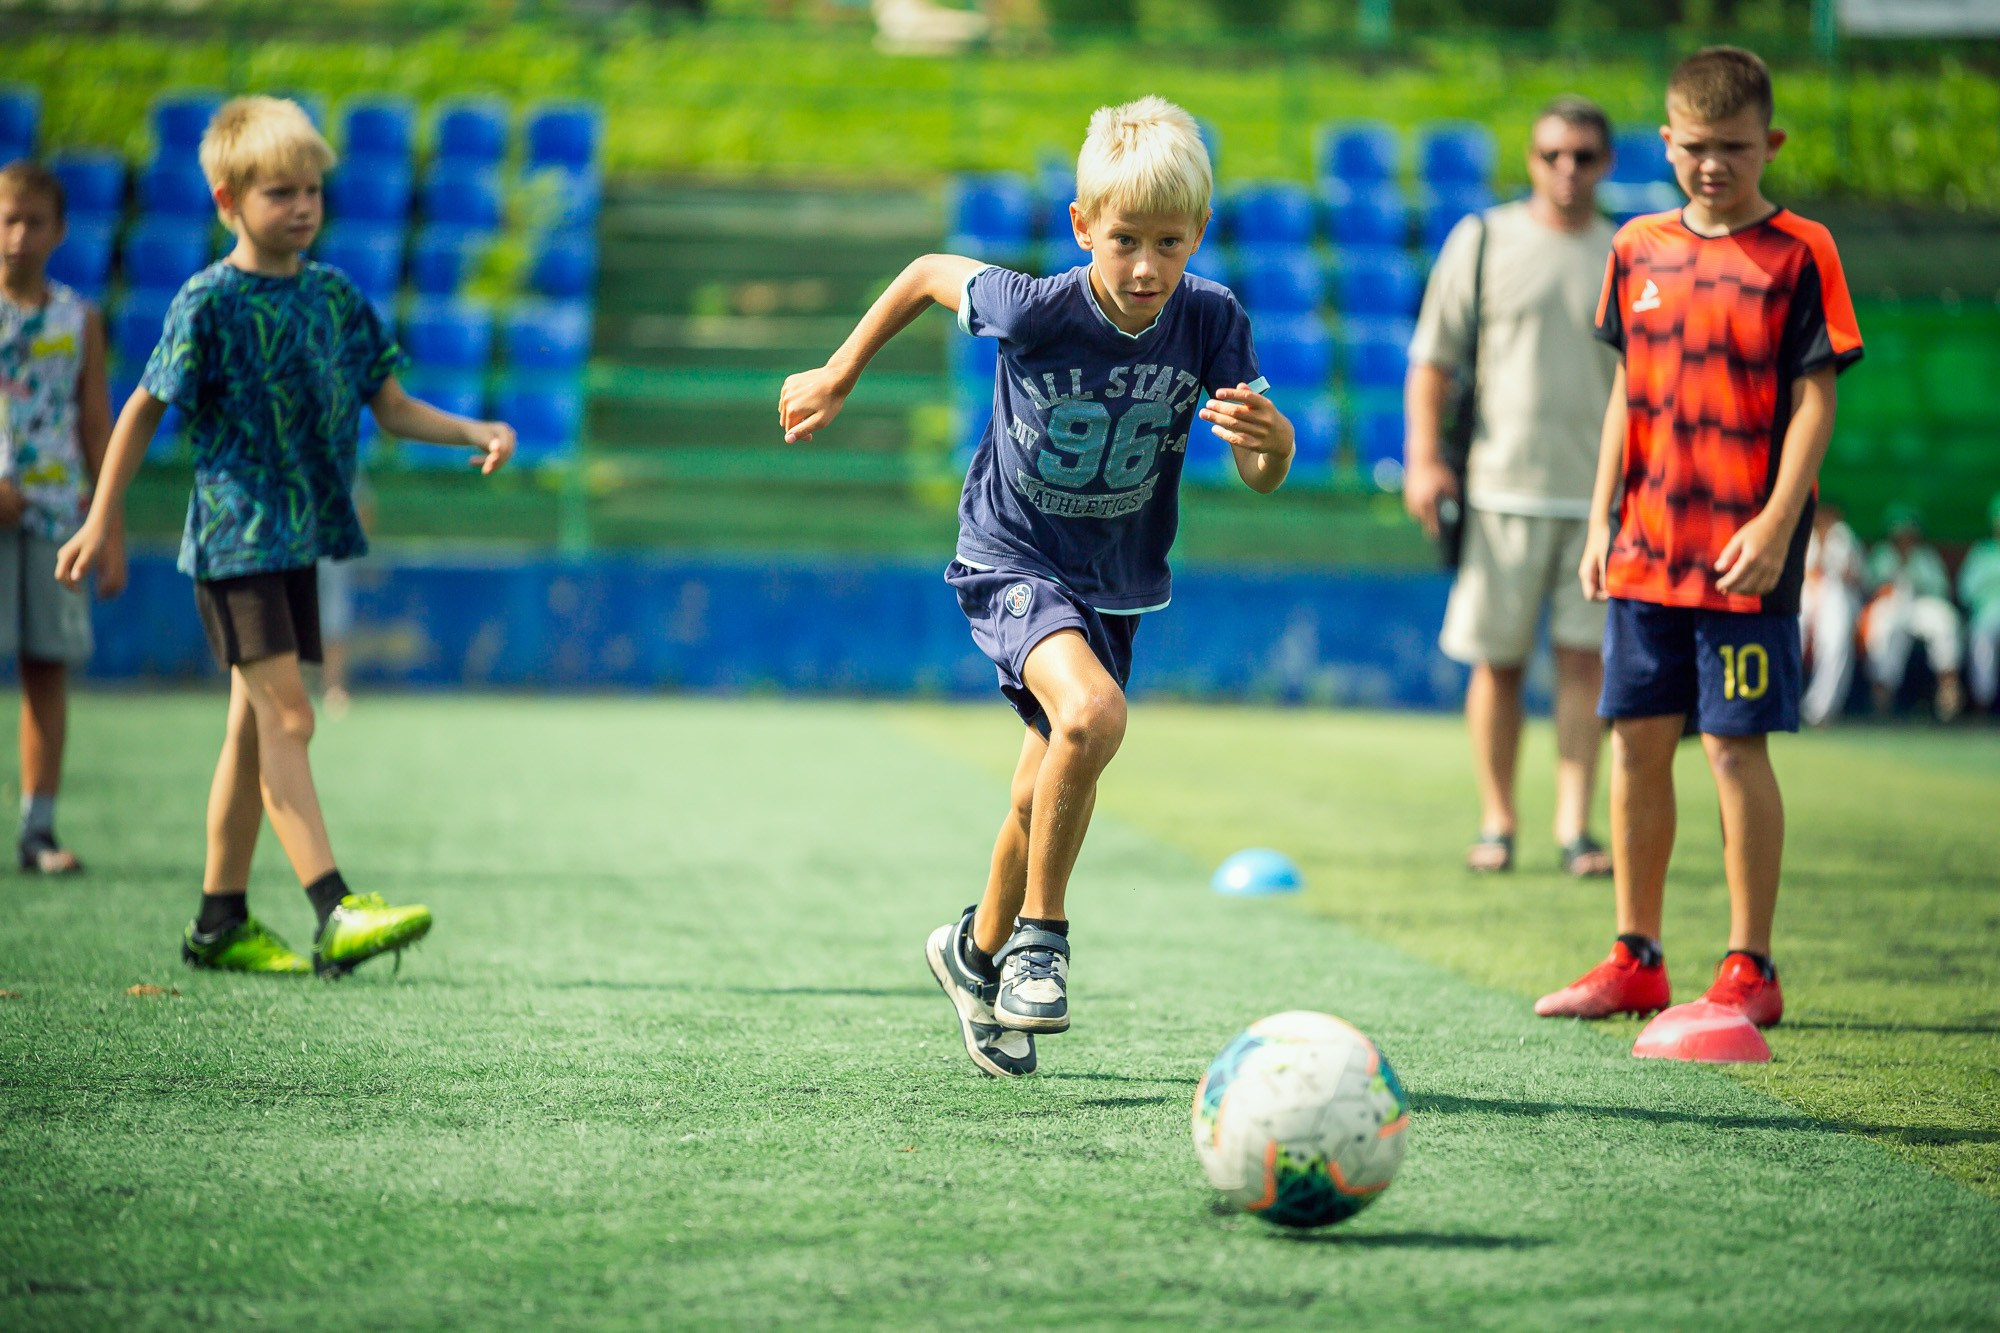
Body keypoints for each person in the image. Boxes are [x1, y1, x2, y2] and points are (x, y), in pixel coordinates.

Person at [779, 97, 1293, 1077]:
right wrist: (841, 370)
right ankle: (1039, 944)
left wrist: (1276, 449)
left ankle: (971, 954)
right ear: (1081, 228)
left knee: (1038, 784)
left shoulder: (1211, 319)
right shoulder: (1036, 306)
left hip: (1115, 583)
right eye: (1124, 241)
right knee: (1091, 717)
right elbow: (930, 272)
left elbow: (1257, 474)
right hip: (1011, 557)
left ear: (1199, 236)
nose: (1145, 268)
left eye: (1168, 244)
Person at [55, 97, 517, 976]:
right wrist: (101, 513)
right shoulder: (207, 302)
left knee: (250, 727)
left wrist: (475, 430)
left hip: (298, 541)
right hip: (235, 542)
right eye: (279, 193)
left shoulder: (335, 295)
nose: (302, 207)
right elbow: (140, 410)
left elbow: (391, 404)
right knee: (290, 718)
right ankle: (332, 908)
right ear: (228, 201)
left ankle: (218, 920)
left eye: (312, 191)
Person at [1535, 47, 1863, 1036]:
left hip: (1742, 559)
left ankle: (1747, 964)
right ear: (1666, 143)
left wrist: (1774, 523)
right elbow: (1626, 397)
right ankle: (1634, 954)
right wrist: (1598, 521)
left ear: (1769, 144)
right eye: (1693, 147)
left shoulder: (1799, 250)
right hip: (1642, 549)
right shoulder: (1633, 246)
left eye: (1732, 147)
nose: (1712, 165)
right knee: (1633, 745)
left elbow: (1814, 399)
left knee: (1730, 749)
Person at [1404, 96, 1620, 877]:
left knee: (1583, 665)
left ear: (1608, 163)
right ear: (1531, 160)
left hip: (1598, 502)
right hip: (1498, 492)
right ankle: (1498, 820)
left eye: (1584, 156)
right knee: (1495, 662)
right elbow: (1432, 359)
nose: (1567, 170)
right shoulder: (1486, 239)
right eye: (1552, 155)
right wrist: (1425, 458)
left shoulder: (1630, 250)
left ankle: (1575, 827)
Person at [0, 161, 123, 874]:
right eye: (8, 220)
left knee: (47, 667)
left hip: (59, 518)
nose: (18, 235)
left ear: (60, 230)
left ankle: (37, 829)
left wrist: (108, 531)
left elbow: (98, 427)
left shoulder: (81, 319)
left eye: (33, 222)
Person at [1862, 502, 1964, 721]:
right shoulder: (1882, 554)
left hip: (1920, 605)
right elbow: (1871, 588)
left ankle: (1948, 689)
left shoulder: (1925, 556)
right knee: (1884, 626)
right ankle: (1882, 696)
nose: (1905, 539)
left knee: (1945, 618)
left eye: (1909, 533)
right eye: (1900, 533)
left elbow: (1941, 589)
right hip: (1890, 607)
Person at [1799, 498, 1865, 726]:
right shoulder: (1804, 532)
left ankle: (1820, 708)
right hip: (1805, 594)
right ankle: (1784, 702)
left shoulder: (1843, 536)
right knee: (1791, 636)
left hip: (1837, 596)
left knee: (1835, 644)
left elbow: (1855, 576)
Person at [1960, 495, 2000, 717]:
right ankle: (1982, 702)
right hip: (1988, 609)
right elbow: (1966, 591)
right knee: (1983, 633)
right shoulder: (1982, 553)